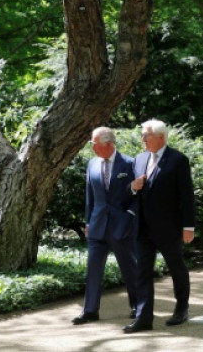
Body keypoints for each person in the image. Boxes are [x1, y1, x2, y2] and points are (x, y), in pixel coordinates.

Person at [122, 119, 196, 333]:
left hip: (169, 228)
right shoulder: (139, 158)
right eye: (142, 135)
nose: (142, 139)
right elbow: (130, 194)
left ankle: (182, 308)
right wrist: (132, 187)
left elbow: (186, 195)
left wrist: (188, 226)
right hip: (142, 228)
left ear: (160, 137)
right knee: (142, 273)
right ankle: (144, 318)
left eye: (146, 135)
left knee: (177, 268)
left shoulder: (178, 160)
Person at [72, 127, 139, 325]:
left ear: (109, 144)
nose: (92, 148)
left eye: (95, 144)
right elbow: (89, 197)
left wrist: (130, 216)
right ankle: (90, 310)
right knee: (93, 268)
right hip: (97, 225)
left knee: (129, 267)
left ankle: (137, 305)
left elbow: (139, 195)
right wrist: (87, 222)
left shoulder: (129, 163)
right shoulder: (92, 164)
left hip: (121, 225)